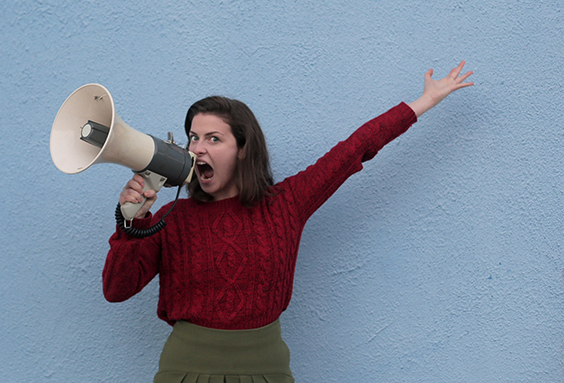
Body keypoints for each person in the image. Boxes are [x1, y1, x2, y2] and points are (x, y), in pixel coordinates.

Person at [104, 62, 474, 382]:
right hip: (183, 370)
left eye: (214, 138)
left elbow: (354, 149)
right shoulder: (170, 218)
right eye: (193, 137)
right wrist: (132, 223)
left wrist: (424, 101)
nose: (198, 147)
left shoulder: (285, 205)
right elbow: (116, 290)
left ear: (243, 148)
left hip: (266, 369)